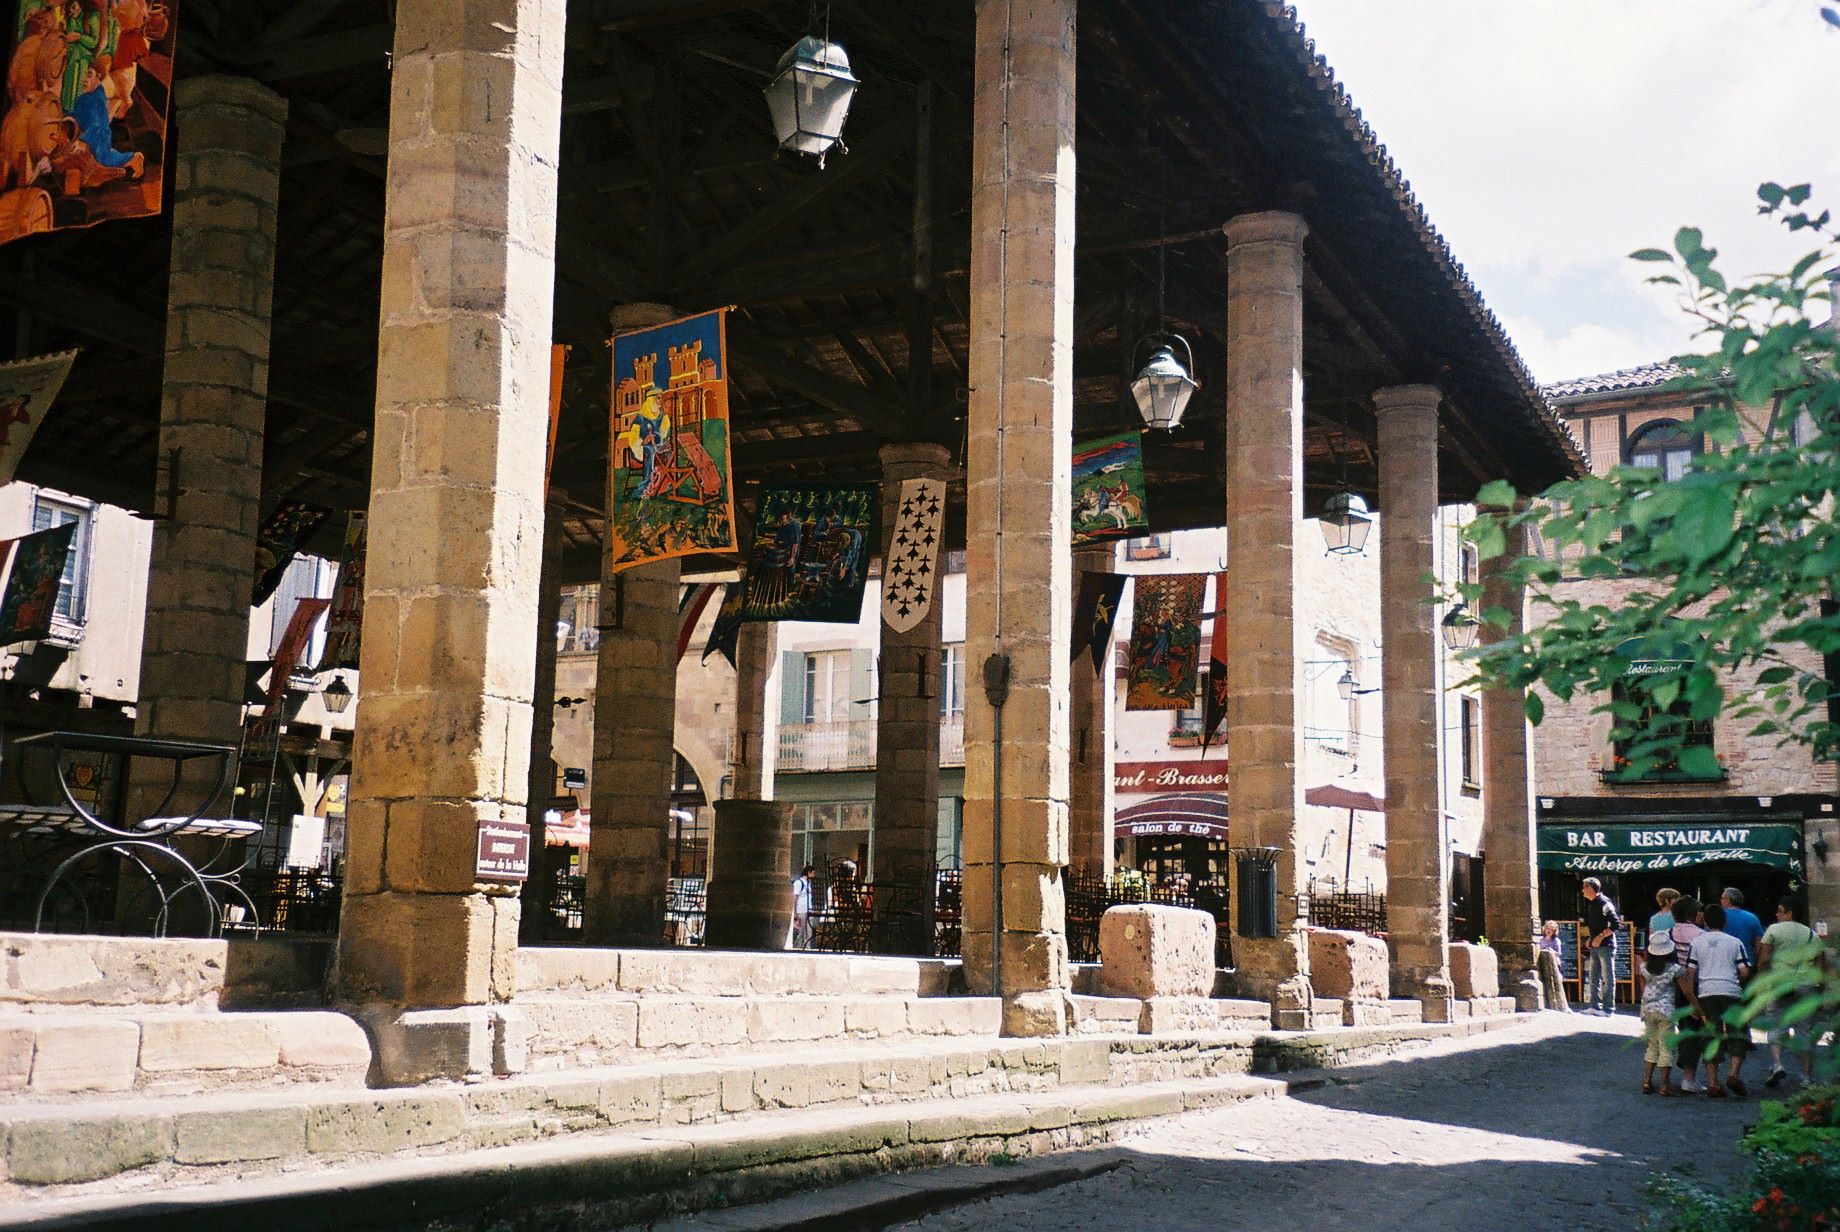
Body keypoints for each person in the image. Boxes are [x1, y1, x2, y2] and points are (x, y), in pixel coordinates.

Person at [1682, 903, 1753, 1098]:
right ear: (1724, 921)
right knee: (1738, 1033)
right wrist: (1739, 982)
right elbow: (1744, 970)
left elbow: (1690, 973)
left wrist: (1693, 999)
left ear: (1705, 920)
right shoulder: (1735, 942)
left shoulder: (1697, 942)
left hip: (1706, 993)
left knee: (1710, 1035)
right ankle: (1733, 1074)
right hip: (1730, 991)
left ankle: (1712, 1082)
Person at [1758, 895, 1821, 1089]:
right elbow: (1820, 964)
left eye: (1780, 910)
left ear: (1789, 912)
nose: (1776, 914)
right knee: (1805, 1030)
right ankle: (1806, 1076)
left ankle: (1777, 1064)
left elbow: (1764, 959)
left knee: (1776, 1026)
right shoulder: (1812, 934)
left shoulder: (1773, 930)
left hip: (1780, 983)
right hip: (1806, 984)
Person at [1667, 896, 1706, 1091]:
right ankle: (1689, 1077)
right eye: (1700, 912)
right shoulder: (1701, 936)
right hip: (1696, 987)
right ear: (1693, 914)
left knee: (1680, 1028)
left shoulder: (1668, 933)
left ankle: (1666, 1076)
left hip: (1673, 987)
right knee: (1693, 1030)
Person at [1639, 932, 1686, 1095]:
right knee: (1666, 1048)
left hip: (1648, 1010)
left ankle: (1646, 1082)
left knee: (1652, 1045)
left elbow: (1642, 988)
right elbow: (1684, 990)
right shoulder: (1675, 970)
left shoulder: (1644, 967)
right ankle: (1664, 1086)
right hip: (1666, 1011)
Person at [1581, 877, 1621, 1015]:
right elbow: (1597, 924)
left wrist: (1600, 937)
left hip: (1606, 946)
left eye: (1584, 887)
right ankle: (1594, 1006)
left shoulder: (1604, 902)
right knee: (1594, 977)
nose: (1582, 890)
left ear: (1591, 888)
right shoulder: (1592, 903)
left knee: (1607, 978)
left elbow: (1616, 924)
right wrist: (1591, 938)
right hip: (1595, 946)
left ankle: (1608, 1009)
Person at [1720, 887, 1765, 965]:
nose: (1720, 900)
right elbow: (1759, 943)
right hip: (1747, 961)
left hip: (1723, 963)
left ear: (1728, 900)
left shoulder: (1719, 916)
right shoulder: (1753, 917)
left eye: (1722, 898)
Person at [1536, 919, 1570, 1012]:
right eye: (1547, 928)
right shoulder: (1540, 939)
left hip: (1554, 964)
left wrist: (1551, 951)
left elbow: (1559, 953)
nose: (1548, 930)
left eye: (1551, 929)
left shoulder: (1556, 941)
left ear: (1554, 931)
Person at [790, 864, 816, 950]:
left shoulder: (808, 883)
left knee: (809, 932)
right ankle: (797, 948)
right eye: (813, 873)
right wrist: (795, 912)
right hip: (801, 910)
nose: (814, 875)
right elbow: (795, 898)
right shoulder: (799, 883)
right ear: (808, 872)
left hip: (809, 910)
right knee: (801, 933)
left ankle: (807, 948)